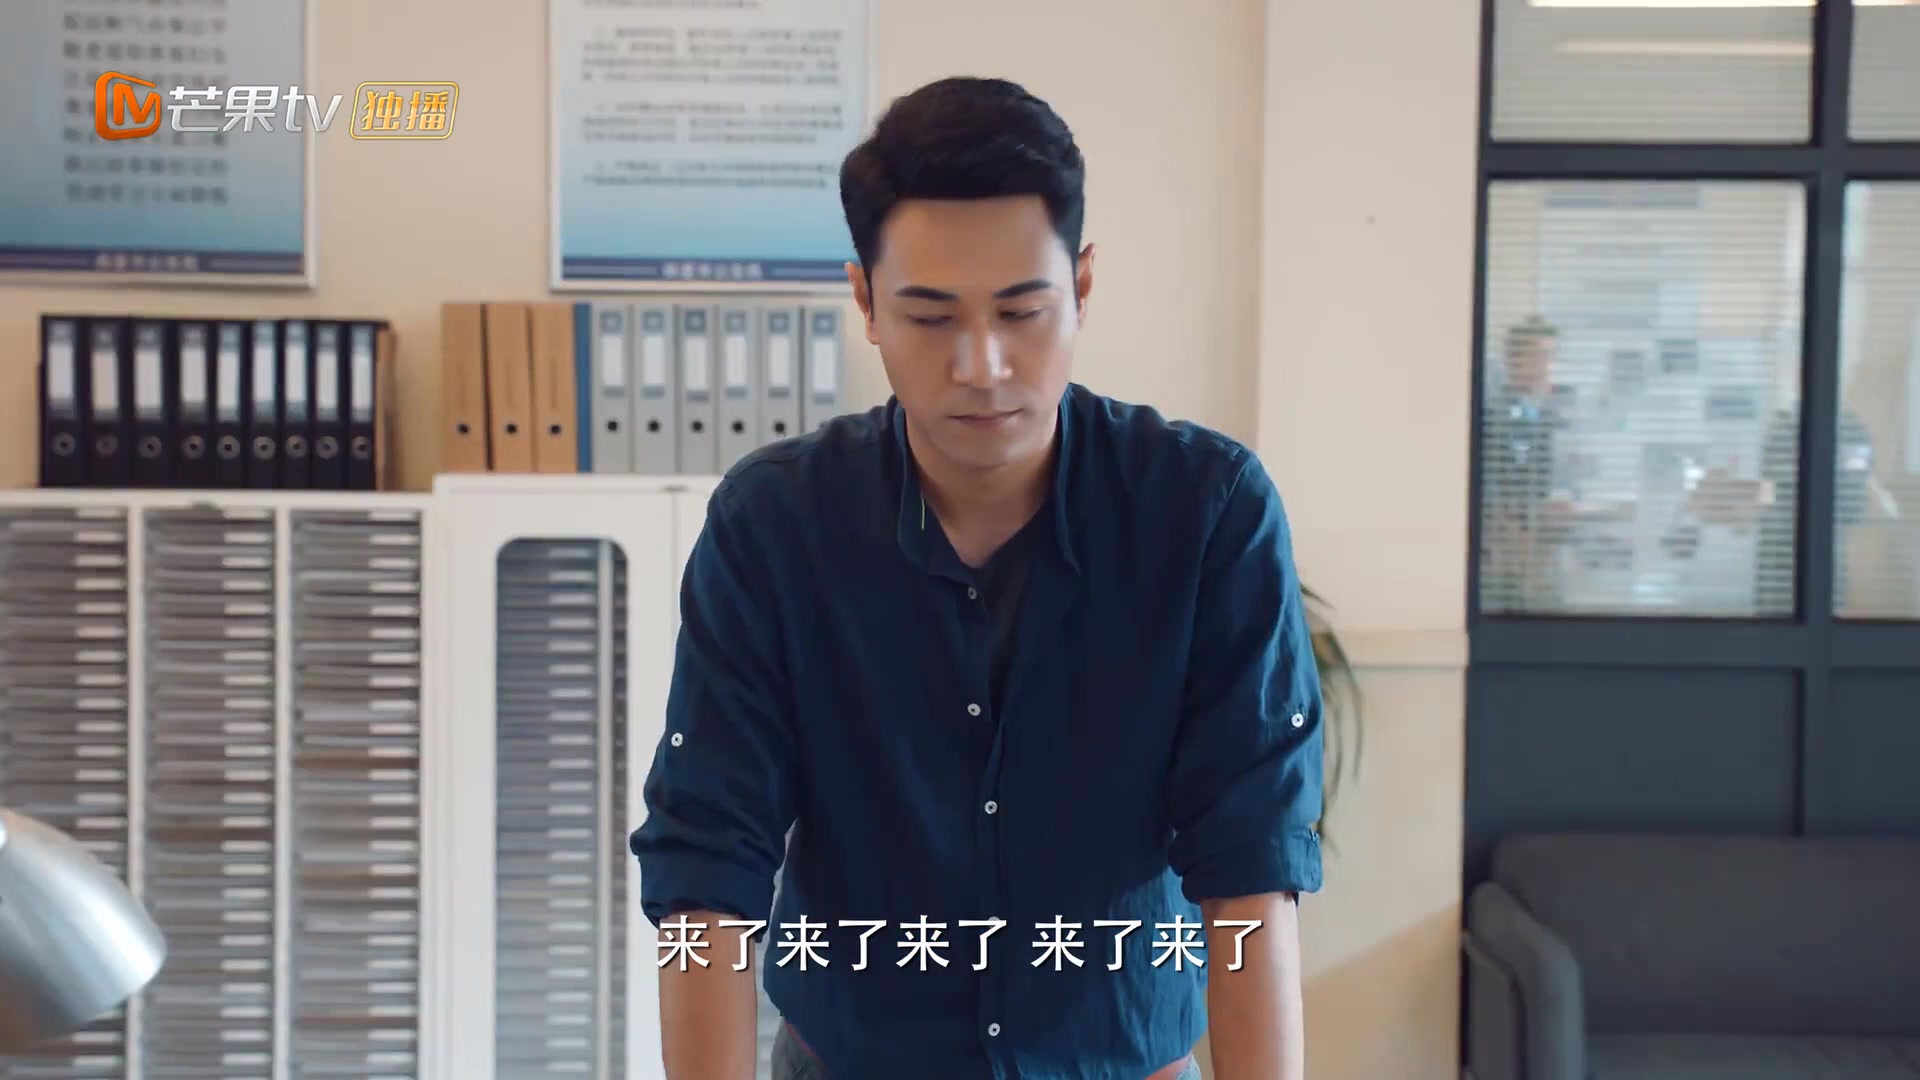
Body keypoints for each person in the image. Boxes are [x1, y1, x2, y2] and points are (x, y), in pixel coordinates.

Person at [630, 76, 1323, 1080]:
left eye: (1021, 310)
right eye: (931, 317)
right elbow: (707, 863)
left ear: (1083, 285)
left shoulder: (1205, 514)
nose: (982, 364)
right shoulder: (775, 527)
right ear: (865, 302)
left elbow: (1252, 865)